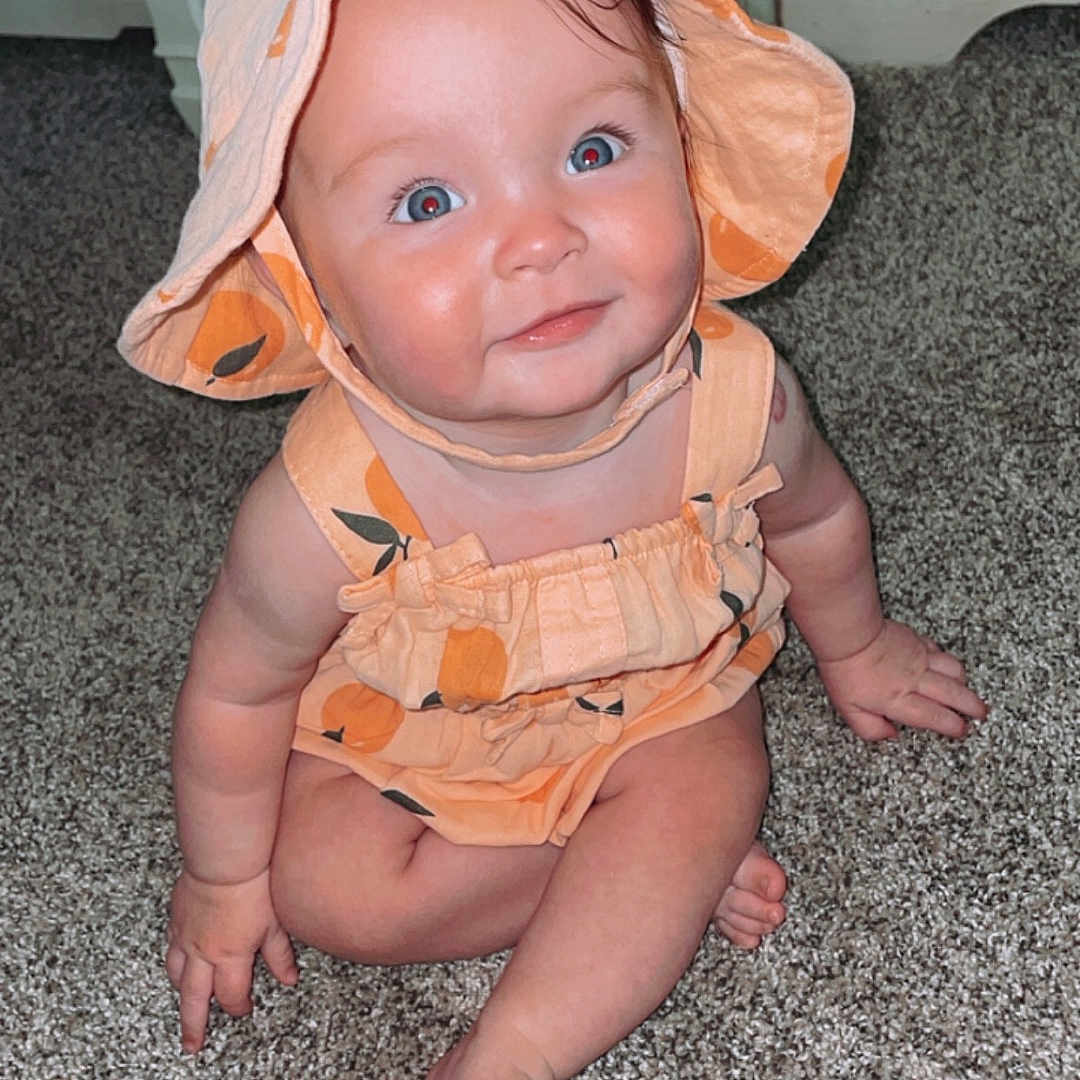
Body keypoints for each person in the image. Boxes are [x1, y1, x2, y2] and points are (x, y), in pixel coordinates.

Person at [118, 0, 988, 1075]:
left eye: (594, 150)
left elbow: (815, 516)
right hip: (420, 739)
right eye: (428, 201)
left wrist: (858, 647)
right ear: (311, 284)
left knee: (704, 776)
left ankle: (520, 1050)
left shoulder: (734, 396)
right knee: (322, 888)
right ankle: (650, 877)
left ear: (684, 147)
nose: (540, 240)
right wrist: (220, 878)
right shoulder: (324, 503)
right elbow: (237, 696)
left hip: (657, 706)